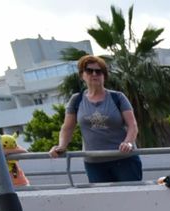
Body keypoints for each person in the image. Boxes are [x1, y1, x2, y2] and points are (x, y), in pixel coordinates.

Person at [50, 55, 141, 183]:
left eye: (99, 71)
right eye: (89, 70)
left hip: (123, 160)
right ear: (82, 75)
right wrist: (61, 146)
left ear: (104, 76)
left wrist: (128, 142)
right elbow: (68, 127)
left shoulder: (118, 97)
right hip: (94, 163)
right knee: (102, 200)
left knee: (132, 198)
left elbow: (132, 125)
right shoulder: (76, 100)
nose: (94, 74)